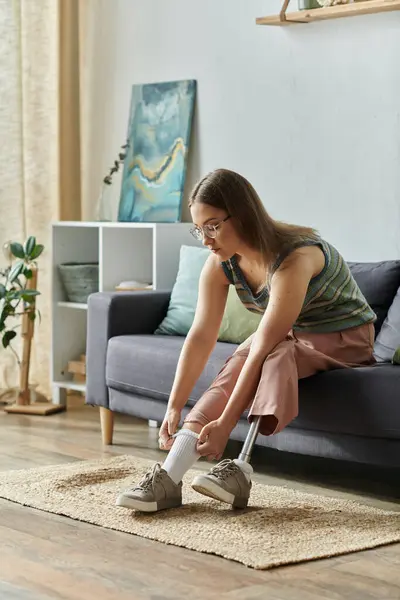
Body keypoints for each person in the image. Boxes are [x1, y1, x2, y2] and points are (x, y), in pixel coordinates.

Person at [116, 168, 376, 513]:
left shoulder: (296, 257)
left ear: (243, 215)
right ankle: (168, 477)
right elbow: (201, 335)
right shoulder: (222, 263)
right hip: (293, 332)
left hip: (346, 338)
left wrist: (225, 426)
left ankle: (240, 468)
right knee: (242, 357)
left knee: (273, 354)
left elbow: (265, 347)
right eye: (199, 229)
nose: (206, 238)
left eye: (213, 226)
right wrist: (175, 404)